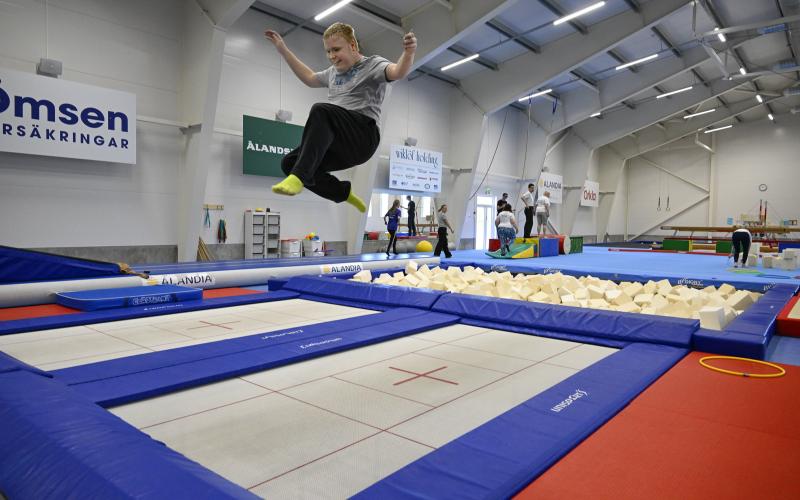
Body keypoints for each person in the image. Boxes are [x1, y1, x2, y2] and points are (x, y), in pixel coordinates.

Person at [264, 23, 417, 211]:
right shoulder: (333, 73)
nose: (331, 56)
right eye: (328, 52)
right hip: (338, 141)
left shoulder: (373, 64)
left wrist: (408, 53)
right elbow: (309, 77)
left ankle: (299, 177)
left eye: (336, 50)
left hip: (363, 136)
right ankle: (343, 193)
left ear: (353, 45)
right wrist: (284, 51)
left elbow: (397, 72)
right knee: (288, 163)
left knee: (321, 111)